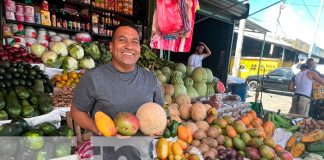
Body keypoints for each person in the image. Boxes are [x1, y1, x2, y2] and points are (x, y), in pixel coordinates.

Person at [70, 23, 164, 135]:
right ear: (111, 46)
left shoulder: (151, 79)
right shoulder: (93, 77)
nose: (129, 46)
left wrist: (159, 126)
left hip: (143, 151)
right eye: (122, 40)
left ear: (139, 49)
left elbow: (159, 112)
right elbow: (76, 111)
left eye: (134, 42)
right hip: (106, 150)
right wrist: (98, 129)